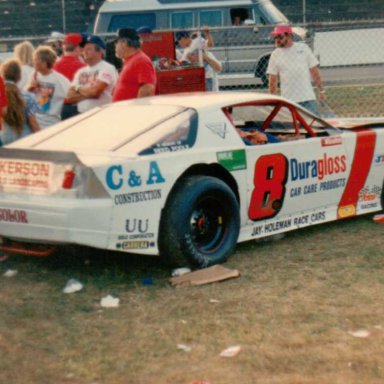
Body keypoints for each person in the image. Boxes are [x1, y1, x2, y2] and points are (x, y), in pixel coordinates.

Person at [266, 24, 326, 115]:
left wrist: (321, 91)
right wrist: (273, 99)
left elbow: (314, 71)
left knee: (313, 126)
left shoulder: (303, 48)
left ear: (289, 36)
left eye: (280, 36)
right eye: (275, 37)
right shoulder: (275, 55)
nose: (277, 40)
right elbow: (273, 80)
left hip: (308, 98)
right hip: (288, 101)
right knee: (292, 127)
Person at [66, 35, 118, 114]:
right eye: (84, 49)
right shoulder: (80, 71)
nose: (84, 52)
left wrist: (77, 89)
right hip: (81, 114)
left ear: (100, 52)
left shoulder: (107, 68)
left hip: (102, 114)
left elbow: (95, 92)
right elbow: (69, 97)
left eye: (89, 49)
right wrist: (88, 92)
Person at [26, 46, 70, 128]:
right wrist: (30, 87)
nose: (33, 62)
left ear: (44, 62)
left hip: (51, 124)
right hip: (34, 123)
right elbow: (25, 97)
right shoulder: (33, 75)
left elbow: (71, 97)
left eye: (36, 59)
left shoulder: (60, 80)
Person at [0, 59, 40, 145]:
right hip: (25, 140)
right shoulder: (28, 97)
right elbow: (33, 123)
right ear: (19, 77)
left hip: (4, 138)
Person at [113, 28, 156, 101]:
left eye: (116, 42)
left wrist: (137, 110)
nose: (115, 46)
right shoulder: (130, 60)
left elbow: (147, 89)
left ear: (124, 43)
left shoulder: (141, 60)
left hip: (132, 110)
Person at [53, 33, 87, 119]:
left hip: (57, 108)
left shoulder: (54, 66)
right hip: (76, 107)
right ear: (78, 47)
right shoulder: (83, 67)